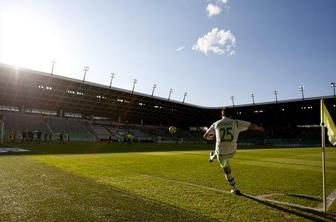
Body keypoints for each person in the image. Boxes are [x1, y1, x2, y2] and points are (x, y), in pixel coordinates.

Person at [203, 108, 264, 195]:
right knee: (219, 153)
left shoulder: (216, 124)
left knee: (227, 171)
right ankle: (212, 157)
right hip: (232, 151)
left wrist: (211, 137)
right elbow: (252, 125)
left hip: (222, 154)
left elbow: (205, 136)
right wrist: (259, 128)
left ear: (221, 115)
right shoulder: (236, 122)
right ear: (231, 115)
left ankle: (235, 189)